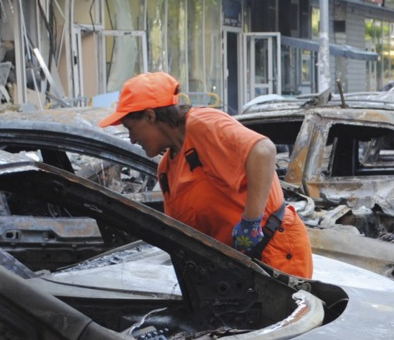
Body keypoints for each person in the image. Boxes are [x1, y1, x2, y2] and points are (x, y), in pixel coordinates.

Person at [99, 72, 313, 278]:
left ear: (150, 115)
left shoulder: (202, 124)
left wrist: (251, 222)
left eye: (131, 128)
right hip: (239, 267)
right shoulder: (166, 171)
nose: (132, 139)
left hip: (274, 251)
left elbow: (264, 151)